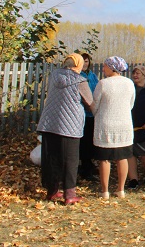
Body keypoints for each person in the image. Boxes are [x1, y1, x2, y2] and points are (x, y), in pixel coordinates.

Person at [36, 53, 94, 205]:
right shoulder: (80, 80)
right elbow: (90, 102)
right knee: (70, 159)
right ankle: (69, 194)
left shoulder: (55, 75)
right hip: (70, 125)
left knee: (51, 158)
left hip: (50, 122)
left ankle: (52, 191)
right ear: (79, 65)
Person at [92, 56, 136, 200]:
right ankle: (120, 189)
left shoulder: (103, 84)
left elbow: (95, 104)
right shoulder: (129, 83)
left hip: (105, 124)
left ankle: (105, 191)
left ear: (112, 68)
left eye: (105, 66)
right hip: (124, 124)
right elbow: (131, 103)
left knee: (105, 159)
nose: (103, 69)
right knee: (122, 158)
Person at [78, 52, 99, 180]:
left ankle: (89, 164)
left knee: (91, 141)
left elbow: (97, 91)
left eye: (87, 61)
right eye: (83, 61)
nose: (85, 64)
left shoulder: (92, 76)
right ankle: (84, 167)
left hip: (93, 112)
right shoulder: (77, 76)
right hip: (82, 113)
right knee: (83, 141)